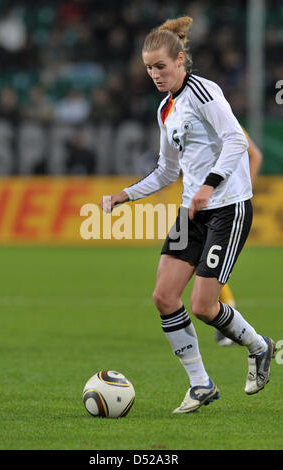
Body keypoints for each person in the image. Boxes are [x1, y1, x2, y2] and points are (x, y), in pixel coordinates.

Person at [99, 16, 276, 414]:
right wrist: (124, 195)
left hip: (227, 209)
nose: (154, 74)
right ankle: (201, 384)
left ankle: (259, 345)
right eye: (148, 68)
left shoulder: (205, 92)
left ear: (180, 60)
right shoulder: (166, 108)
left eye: (160, 66)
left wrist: (209, 186)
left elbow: (236, 141)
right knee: (164, 296)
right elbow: (166, 169)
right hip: (190, 212)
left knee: (203, 306)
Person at [216, 133, 263, 346]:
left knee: (207, 262)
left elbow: (256, 155)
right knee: (201, 260)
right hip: (208, 201)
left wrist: (246, 187)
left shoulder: (228, 124)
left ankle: (229, 319)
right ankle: (228, 317)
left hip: (226, 205)